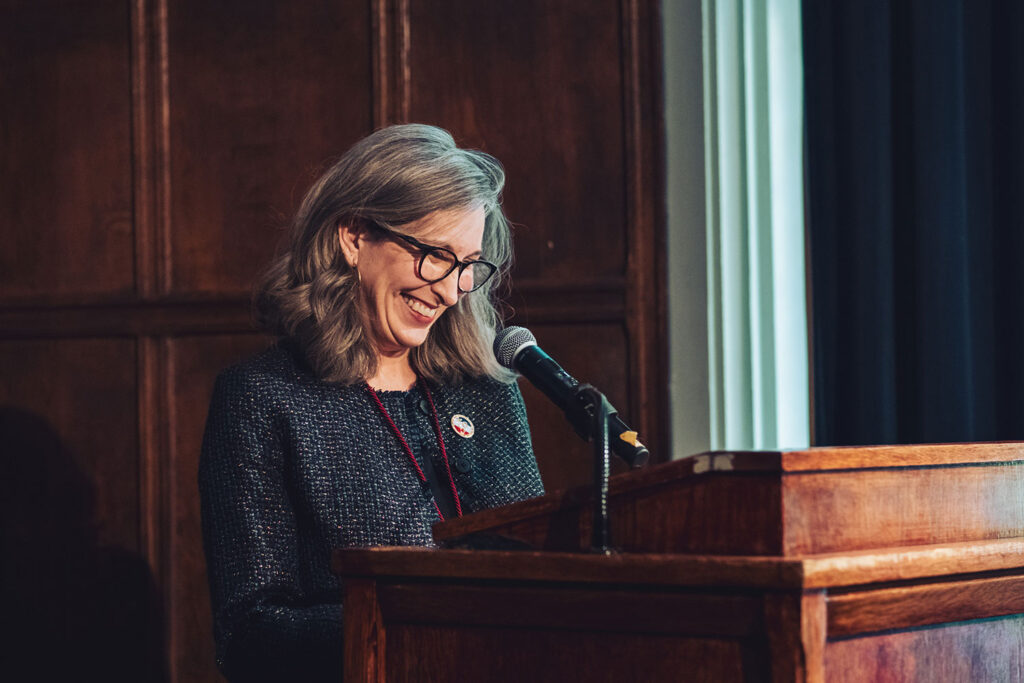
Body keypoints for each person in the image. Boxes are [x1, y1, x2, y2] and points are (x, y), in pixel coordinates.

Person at [198, 124, 544, 682]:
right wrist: (418, 619)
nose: (452, 290)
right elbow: (250, 634)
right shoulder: (263, 397)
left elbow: (535, 571)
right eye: (436, 256)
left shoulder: (487, 390)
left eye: (469, 266)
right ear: (355, 236)